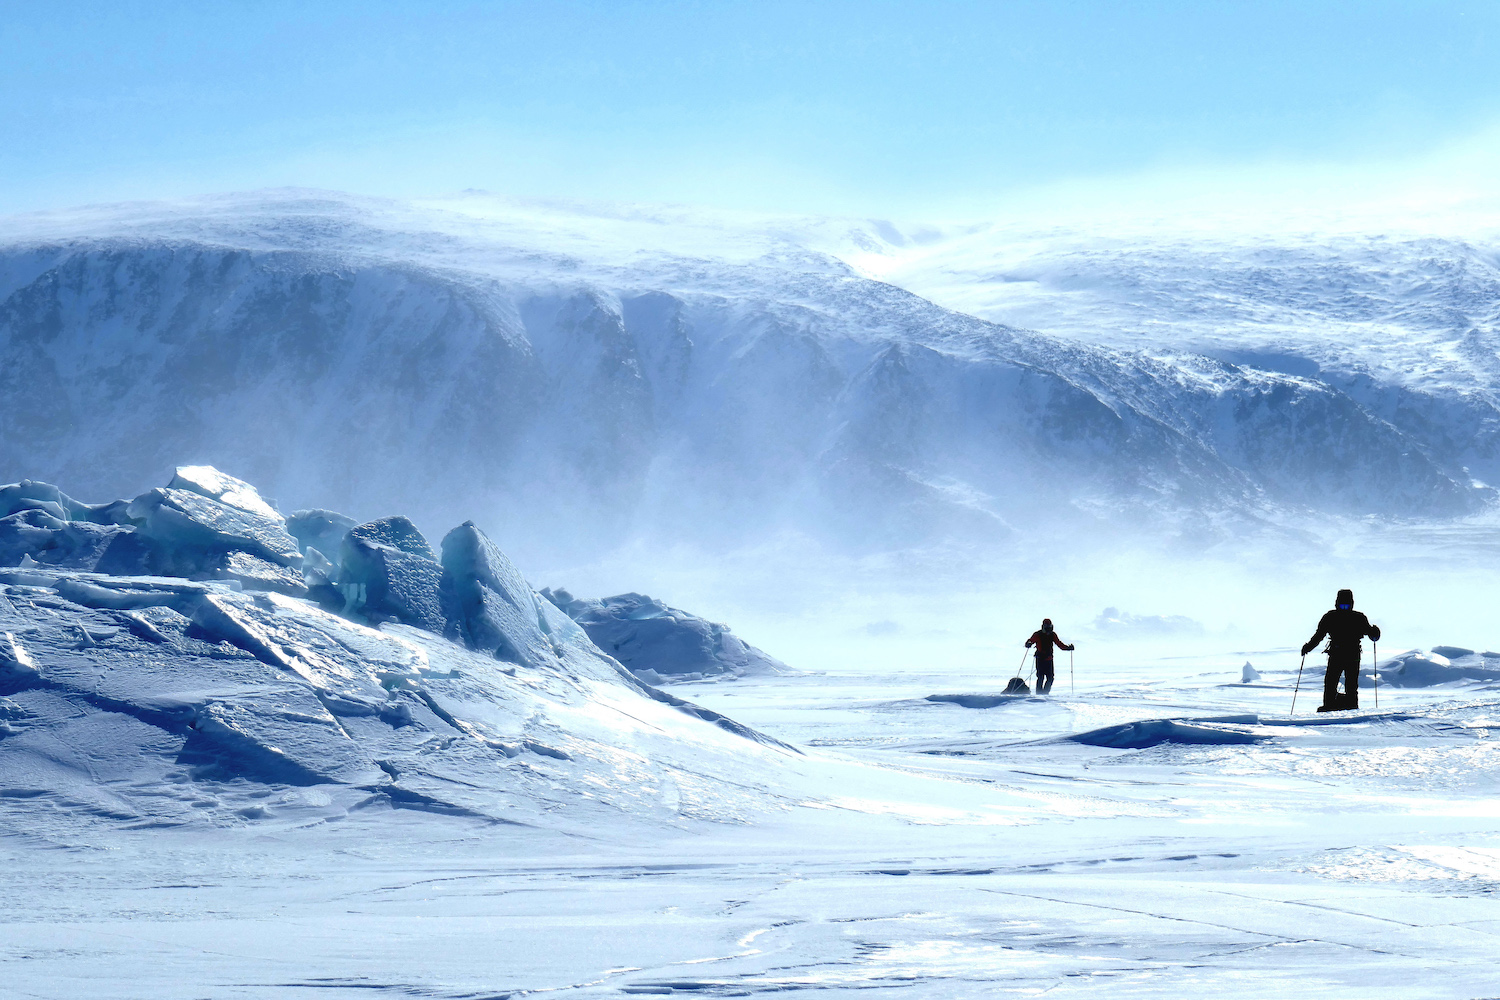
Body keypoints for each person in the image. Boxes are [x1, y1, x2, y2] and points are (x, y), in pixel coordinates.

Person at [1300, 588, 1380, 712]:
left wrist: (1375, 633)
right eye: (1342, 605)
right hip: (1339, 654)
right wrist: (1308, 647)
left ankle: (1350, 705)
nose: (1344, 608)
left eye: (1346, 606)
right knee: (1331, 681)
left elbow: (1371, 634)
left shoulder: (1356, 618)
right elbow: (1319, 635)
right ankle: (1331, 704)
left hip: (1350, 655)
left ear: (1351, 605)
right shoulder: (1333, 617)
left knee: (1350, 684)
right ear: (1337, 604)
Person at [1025, 619, 1074, 695]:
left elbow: (1059, 644)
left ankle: (1044, 694)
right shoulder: (1038, 634)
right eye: (1047, 626)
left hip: (1048, 659)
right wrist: (1028, 643)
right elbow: (1031, 641)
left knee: (1049, 678)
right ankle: (1040, 694)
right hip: (1041, 659)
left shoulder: (1052, 635)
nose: (1048, 628)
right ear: (1043, 626)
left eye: (1049, 626)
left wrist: (1068, 648)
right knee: (1041, 677)